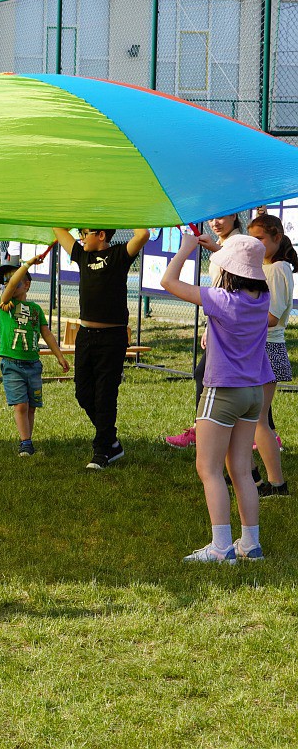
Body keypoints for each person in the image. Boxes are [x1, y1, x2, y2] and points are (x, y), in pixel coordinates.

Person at [161, 231, 271, 563]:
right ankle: (251, 544)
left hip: (222, 392)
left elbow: (168, 280)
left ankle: (221, 546)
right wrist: (220, 248)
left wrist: (187, 248)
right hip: (253, 393)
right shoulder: (260, 300)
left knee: (208, 468)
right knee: (241, 468)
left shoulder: (222, 300)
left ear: (229, 271)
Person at [50, 225, 150, 469]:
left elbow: (143, 235)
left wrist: (120, 211)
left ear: (101, 235)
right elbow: (58, 228)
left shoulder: (118, 255)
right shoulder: (82, 255)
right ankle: (111, 441)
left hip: (112, 337)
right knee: (83, 394)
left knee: (105, 395)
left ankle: (102, 450)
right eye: (81, 234)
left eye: (85, 233)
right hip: (85, 336)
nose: (81, 238)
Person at [165, 214, 250, 448]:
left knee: (207, 375)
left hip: (231, 329)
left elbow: (169, 281)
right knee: (248, 384)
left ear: (234, 215)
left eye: (221, 217)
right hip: (224, 325)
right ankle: (256, 432)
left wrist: (185, 251)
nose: (215, 223)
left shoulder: (237, 244)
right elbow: (222, 287)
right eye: (211, 219)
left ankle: (204, 429)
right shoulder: (223, 246)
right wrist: (209, 326)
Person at [0, 257, 69, 457]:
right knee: (21, 404)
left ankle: (28, 439)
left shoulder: (35, 309)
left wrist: (59, 356)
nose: (8, 284)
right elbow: (8, 291)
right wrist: (26, 265)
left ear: (26, 285)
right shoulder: (5, 305)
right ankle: (25, 442)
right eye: (6, 282)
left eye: (13, 279)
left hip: (33, 365)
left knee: (31, 407)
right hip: (12, 364)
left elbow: (47, 334)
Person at [248, 212, 296, 497]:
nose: (255, 245)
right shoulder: (265, 265)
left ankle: (277, 484)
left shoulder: (278, 269)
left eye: (260, 239)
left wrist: (236, 319)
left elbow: (273, 318)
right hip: (256, 348)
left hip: (268, 349)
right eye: (251, 240)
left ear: (277, 237)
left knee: (258, 420)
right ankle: (252, 476)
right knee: (250, 419)